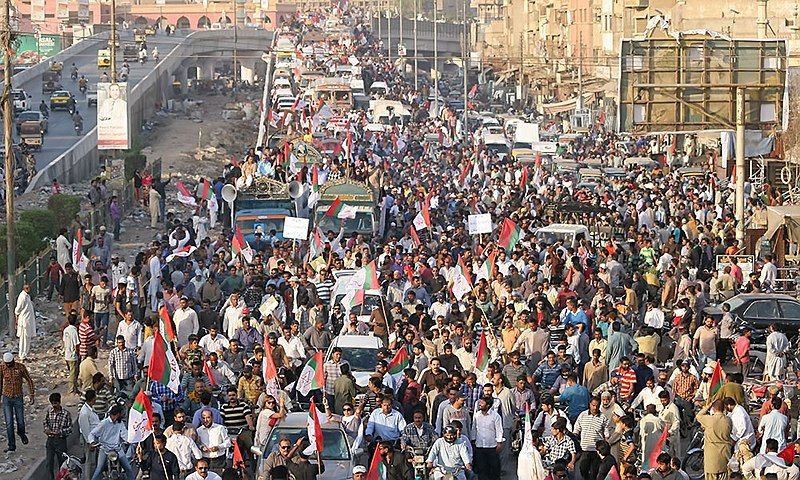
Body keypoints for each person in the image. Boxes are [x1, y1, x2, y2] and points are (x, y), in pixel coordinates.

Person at [88, 404, 135, 480]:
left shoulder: (120, 423)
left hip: (117, 449)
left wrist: (130, 441)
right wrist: (92, 442)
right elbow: (92, 434)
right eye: (121, 414)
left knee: (128, 468)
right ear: (117, 414)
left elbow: (124, 434)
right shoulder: (104, 423)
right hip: (105, 449)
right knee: (99, 469)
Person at [0, 352, 34, 452]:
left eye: (10, 363)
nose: (8, 366)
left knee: (20, 420)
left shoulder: (20, 367)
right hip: (7, 397)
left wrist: (31, 394)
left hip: (18, 397)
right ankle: (12, 445)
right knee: (9, 423)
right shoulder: (2, 368)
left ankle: (21, 433)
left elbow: (29, 380)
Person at [696, 400, 733, 480]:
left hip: (711, 456)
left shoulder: (709, 419)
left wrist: (708, 406)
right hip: (724, 454)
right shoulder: (728, 420)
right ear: (724, 408)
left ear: (713, 408)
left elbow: (699, 415)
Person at [470, 395, 504, 480]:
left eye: (482, 402)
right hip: (479, 446)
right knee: (482, 469)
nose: (480, 404)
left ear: (488, 405)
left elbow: (499, 430)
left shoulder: (495, 416)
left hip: (492, 447)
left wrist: (499, 443)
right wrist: (473, 440)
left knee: (494, 469)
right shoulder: (477, 415)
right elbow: (474, 428)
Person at [44, 392, 72, 480]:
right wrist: (47, 430)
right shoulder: (49, 412)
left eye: (55, 403)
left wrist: (60, 432)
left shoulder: (66, 414)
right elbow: (45, 422)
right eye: (52, 403)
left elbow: (70, 429)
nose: (54, 405)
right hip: (50, 440)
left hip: (61, 441)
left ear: (59, 402)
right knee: (49, 463)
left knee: (62, 464)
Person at [14, 284, 36, 360]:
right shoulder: (22, 297)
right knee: (24, 339)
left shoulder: (27, 296)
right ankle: (22, 355)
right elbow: (18, 309)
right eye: (27, 288)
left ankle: (25, 354)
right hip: (24, 321)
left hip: (28, 320)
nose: (28, 289)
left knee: (27, 338)